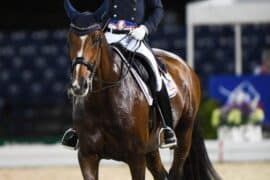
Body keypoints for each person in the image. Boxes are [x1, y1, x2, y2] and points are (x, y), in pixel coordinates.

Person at [62, 0, 177, 149]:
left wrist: (146, 28)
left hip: (134, 37)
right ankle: (76, 130)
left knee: (155, 72)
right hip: (107, 36)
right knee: (83, 72)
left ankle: (167, 129)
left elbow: (158, 10)